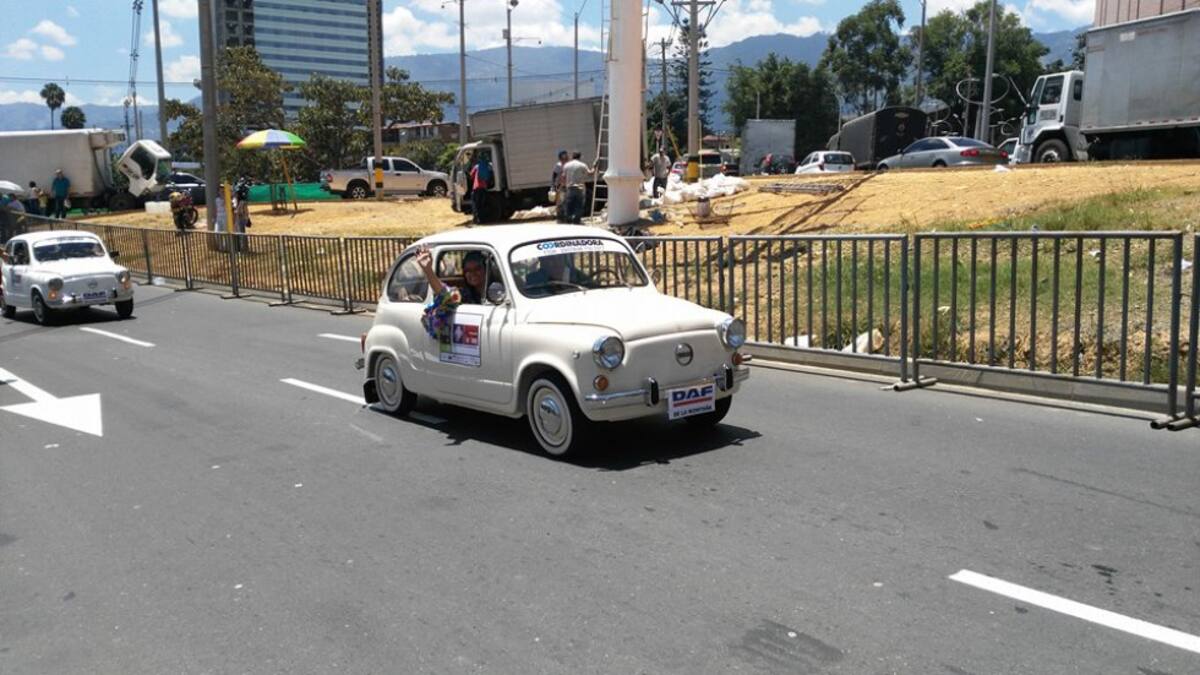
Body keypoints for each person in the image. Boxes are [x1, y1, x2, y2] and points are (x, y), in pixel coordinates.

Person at [560, 151, 596, 224]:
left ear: (572, 156)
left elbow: (563, 177)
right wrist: (594, 166)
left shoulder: (567, 165)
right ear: (580, 157)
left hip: (570, 188)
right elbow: (590, 173)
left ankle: (568, 221)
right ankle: (577, 221)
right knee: (578, 206)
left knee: (569, 205)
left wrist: (563, 186)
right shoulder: (582, 165)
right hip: (579, 189)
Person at [468, 153, 493, 224]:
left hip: (476, 187)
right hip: (484, 188)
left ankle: (477, 219)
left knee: (476, 204)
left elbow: (471, 175)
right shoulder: (488, 165)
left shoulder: (476, 167)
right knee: (482, 204)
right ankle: (483, 219)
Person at [551, 150, 568, 222]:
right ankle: (560, 218)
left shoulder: (568, 164)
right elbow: (554, 176)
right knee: (560, 203)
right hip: (560, 186)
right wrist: (553, 186)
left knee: (566, 202)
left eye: (566, 155)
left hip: (567, 185)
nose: (566, 156)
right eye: (564, 155)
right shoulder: (558, 165)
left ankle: (566, 217)